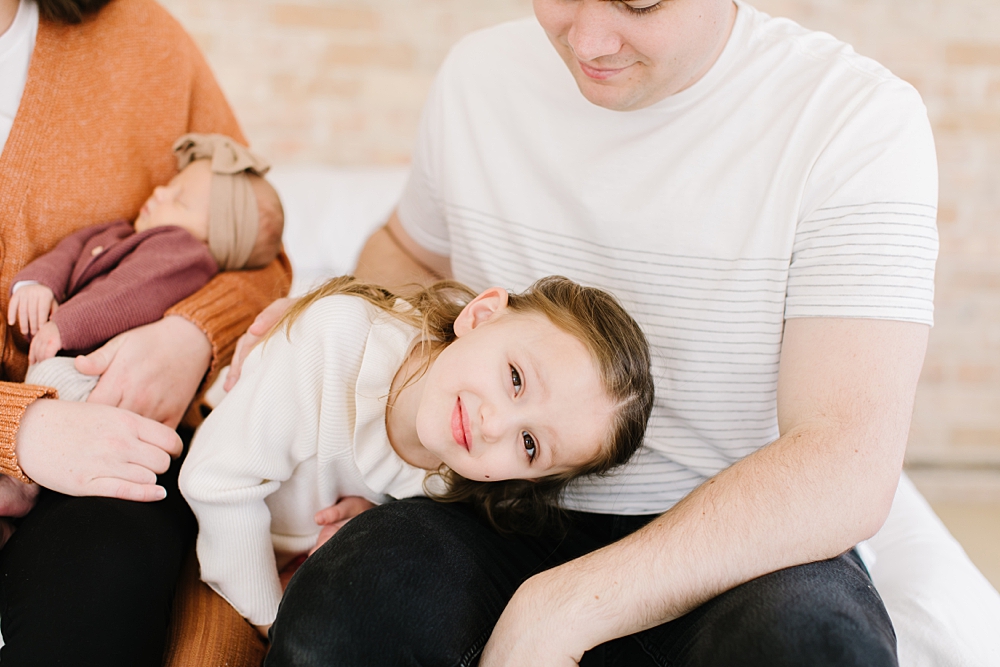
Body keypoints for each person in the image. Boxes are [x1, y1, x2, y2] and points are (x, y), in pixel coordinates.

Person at [231, 0, 937, 665]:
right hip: (494, 504)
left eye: (640, 3)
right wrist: (334, 318)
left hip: (742, 541)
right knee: (341, 621)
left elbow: (846, 458)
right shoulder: (481, 77)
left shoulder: (855, 120)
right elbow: (410, 253)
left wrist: (563, 605)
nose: (590, 40)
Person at [0, 0, 291, 665]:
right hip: (41, 421)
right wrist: (17, 429)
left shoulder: (145, 42)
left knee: (107, 567)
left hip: (117, 433)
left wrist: (192, 335)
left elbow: (260, 260)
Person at [180, 275, 654, 638]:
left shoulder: (455, 486)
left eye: (529, 445)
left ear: (527, 480)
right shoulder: (334, 341)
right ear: (482, 314)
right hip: (183, 480)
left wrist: (370, 521)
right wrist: (271, 621)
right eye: (515, 379)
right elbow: (215, 482)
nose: (494, 425)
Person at [0, 134, 284, 543]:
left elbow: (127, 297)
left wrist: (66, 325)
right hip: (66, 359)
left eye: (180, 200)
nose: (160, 191)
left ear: (212, 239)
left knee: (54, 388)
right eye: (172, 183)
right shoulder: (125, 231)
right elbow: (72, 247)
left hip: (99, 373)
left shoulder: (182, 254)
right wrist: (37, 283)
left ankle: (22, 488)